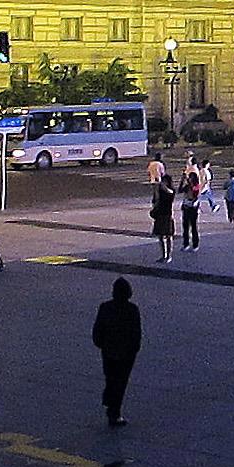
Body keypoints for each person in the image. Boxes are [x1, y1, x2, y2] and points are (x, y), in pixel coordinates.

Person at [91, 277, 142, 427]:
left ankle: (109, 401)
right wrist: (134, 348)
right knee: (121, 382)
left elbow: (98, 328)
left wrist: (100, 343)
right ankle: (114, 411)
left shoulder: (105, 307)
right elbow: (136, 332)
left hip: (108, 350)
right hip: (126, 353)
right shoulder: (132, 309)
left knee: (110, 378)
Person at [150, 175, 175, 262]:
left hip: (167, 214)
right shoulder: (160, 190)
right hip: (159, 214)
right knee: (160, 236)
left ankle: (169, 256)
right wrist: (156, 189)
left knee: (168, 236)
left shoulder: (170, 190)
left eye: (165, 181)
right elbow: (155, 201)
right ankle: (163, 255)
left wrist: (162, 185)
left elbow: (171, 193)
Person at [178, 171, 201, 252]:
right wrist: (182, 180)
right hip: (186, 206)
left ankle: (195, 244)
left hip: (193, 207)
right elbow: (180, 190)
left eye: (191, 177)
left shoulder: (196, 186)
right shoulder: (187, 186)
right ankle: (186, 244)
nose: (190, 179)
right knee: (185, 226)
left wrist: (190, 183)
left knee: (193, 226)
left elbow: (195, 192)